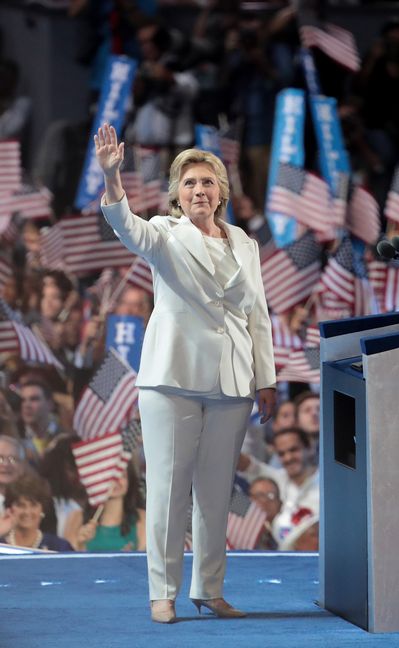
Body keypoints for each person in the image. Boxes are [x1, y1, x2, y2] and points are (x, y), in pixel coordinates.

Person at [94, 122, 276, 623]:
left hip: (232, 379)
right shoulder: (164, 235)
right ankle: (163, 593)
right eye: (190, 182)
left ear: (221, 193)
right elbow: (124, 224)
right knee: (169, 491)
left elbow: (257, 314)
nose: (200, 190)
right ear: (177, 193)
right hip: (171, 378)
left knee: (216, 494)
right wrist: (113, 177)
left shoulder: (245, 243)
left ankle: (209, 590)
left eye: (208, 182)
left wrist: (267, 378)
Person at [67, 461, 146, 553]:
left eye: (122, 475)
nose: (116, 481)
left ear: (129, 480)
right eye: (109, 476)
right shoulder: (76, 517)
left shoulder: (142, 518)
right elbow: (69, 562)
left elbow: (143, 561)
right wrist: (81, 545)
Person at [1, 472, 73, 552]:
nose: (27, 512)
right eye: (21, 505)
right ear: (10, 509)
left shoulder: (59, 547)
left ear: (42, 509)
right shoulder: (2, 545)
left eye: (33, 505)